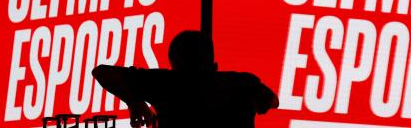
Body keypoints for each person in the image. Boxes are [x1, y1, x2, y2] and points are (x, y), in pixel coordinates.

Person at [92, 30, 279, 128]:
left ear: (173, 65)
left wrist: (134, 101)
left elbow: (101, 72)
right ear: (214, 66)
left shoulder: (165, 83)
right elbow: (273, 101)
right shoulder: (243, 83)